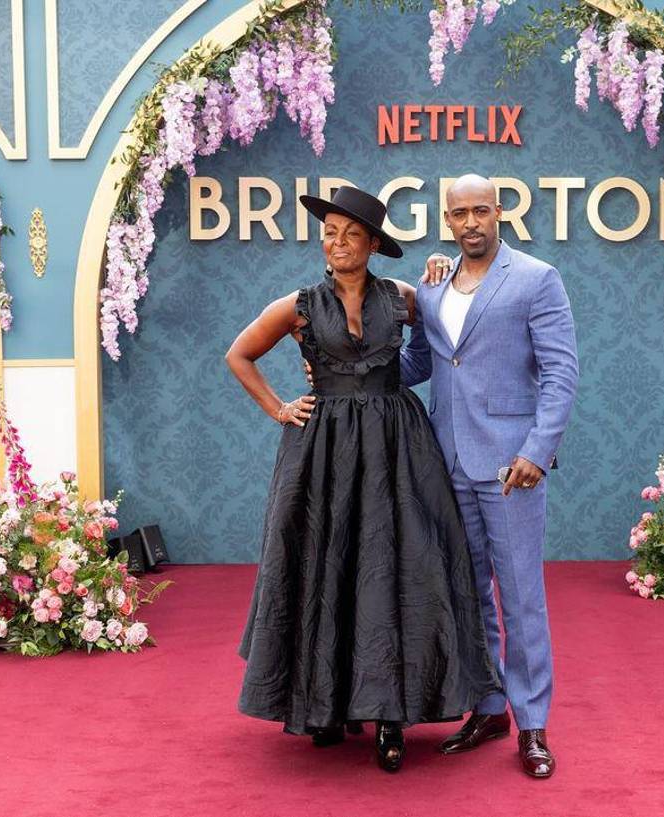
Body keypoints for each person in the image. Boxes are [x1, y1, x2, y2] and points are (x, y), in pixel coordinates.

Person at [226, 185, 501, 774]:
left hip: (397, 449)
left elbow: (439, 343)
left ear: (374, 244)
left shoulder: (404, 298)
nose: (339, 243)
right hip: (322, 453)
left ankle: (391, 719)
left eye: (352, 234)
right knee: (327, 564)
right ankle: (323, 707)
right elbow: (239, 355)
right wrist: (279, 408)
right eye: (330, 233)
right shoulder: (298, 305)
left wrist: (438, 274)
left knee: (400, 569)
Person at [407, 174, 579, 778]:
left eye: (482, 210)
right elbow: (418, 366)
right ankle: (488, 707)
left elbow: (561, 373)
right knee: (468, 591)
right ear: (447, 221)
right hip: (446, 461)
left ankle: (532, 725)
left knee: (521, 596)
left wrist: (537, 449)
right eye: (460, 214)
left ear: (499, 212)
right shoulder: (432, 290)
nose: (472, 222)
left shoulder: (536, 278)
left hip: (512, 468)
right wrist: (346, 357)